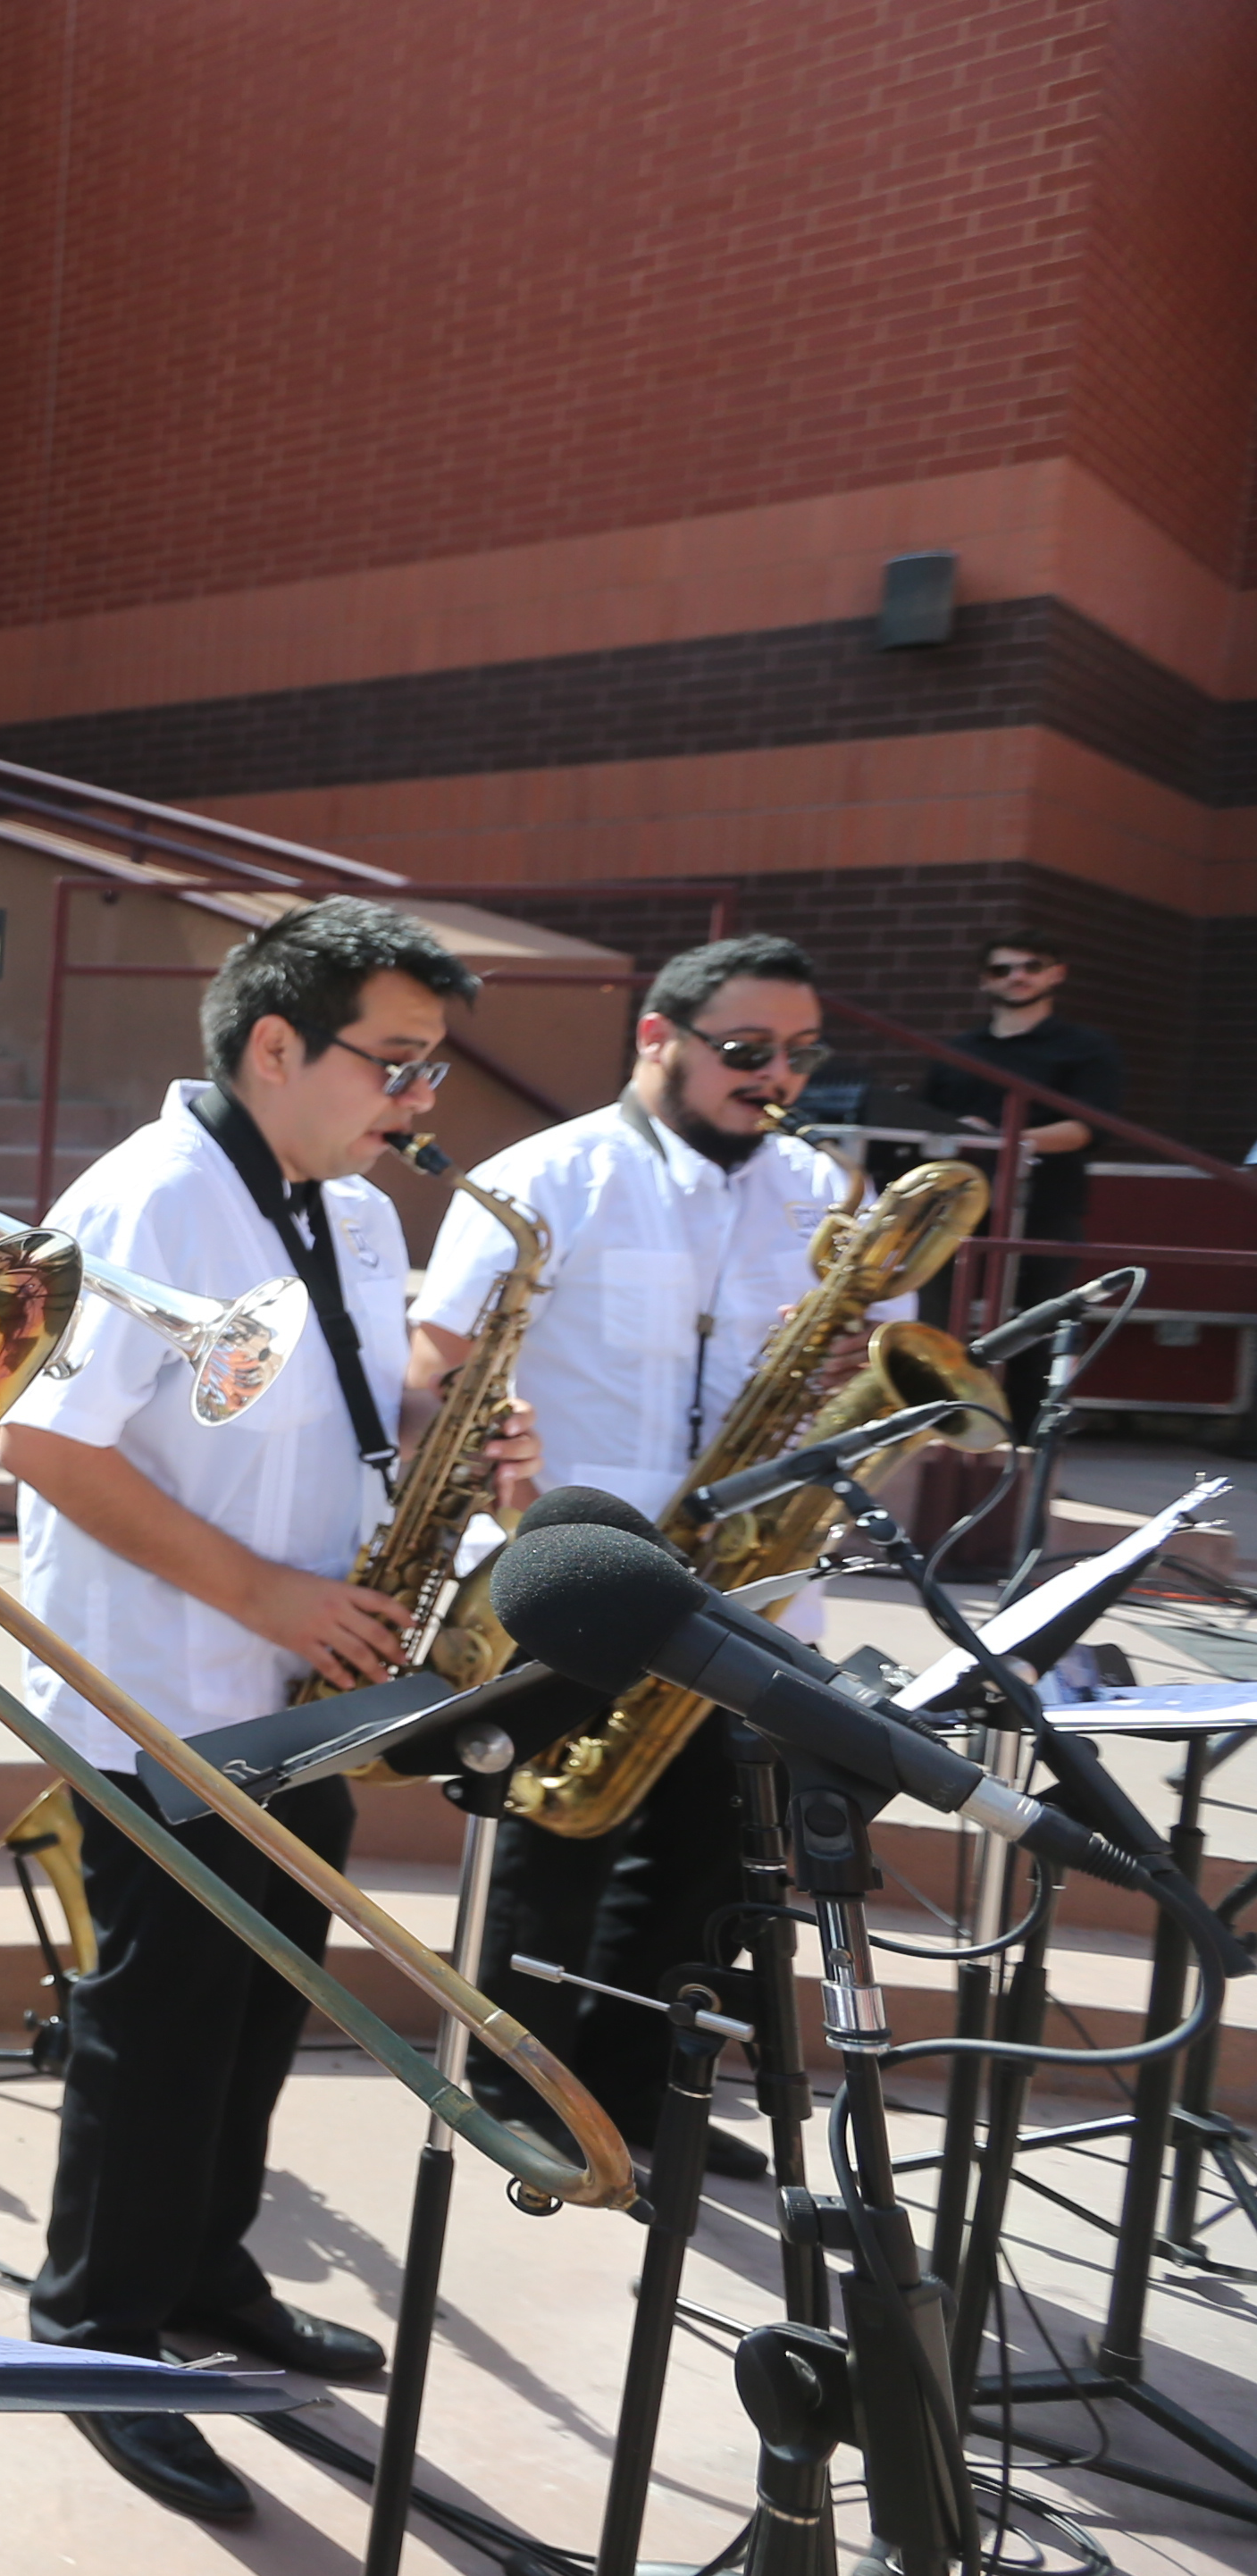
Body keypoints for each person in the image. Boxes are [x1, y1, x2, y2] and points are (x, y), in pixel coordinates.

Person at [0, 898, 524, 2526]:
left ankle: (205, 2273)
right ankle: (92, 2329)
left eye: (434, 1072)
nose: (415, 1103)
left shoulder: (354, 1210)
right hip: (158, 1701)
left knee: (244, 2022)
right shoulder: (145, 1201)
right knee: (146, 2040)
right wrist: (268, 1600)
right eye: (395, 1064)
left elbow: (351, 1398)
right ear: (271, 1045)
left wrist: (448, 1422)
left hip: (309, 1690)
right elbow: (41, 1445)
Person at [411, 932, 884, 2177]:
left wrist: (841, 1366)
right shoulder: (549, 1175)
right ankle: (523, 2103)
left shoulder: (816, 1189)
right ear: (657, 1040)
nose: (777, 1076)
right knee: (558, 1856)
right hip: (590, 1580)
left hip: (755, 1581)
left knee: (710, 1867)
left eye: (800, 1053)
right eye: (747, 1051)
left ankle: (651, 2102)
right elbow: (437, 1358)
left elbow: (878, 1355)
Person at [921, 932, 1124, 1426]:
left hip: (1045, 1205)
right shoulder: (958, 1049)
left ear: (1056, 974)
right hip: (958, 1208)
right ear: (984, 980)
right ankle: (937, 1432)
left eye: (1031, 966)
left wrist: (1004, 1138)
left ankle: (1026, 1450)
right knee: (935, 1322)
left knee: (1038, 1325)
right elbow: (924, 1124)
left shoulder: (1086, 1048)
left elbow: (1086, 1128)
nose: (1017, 976)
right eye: (1002, 969)